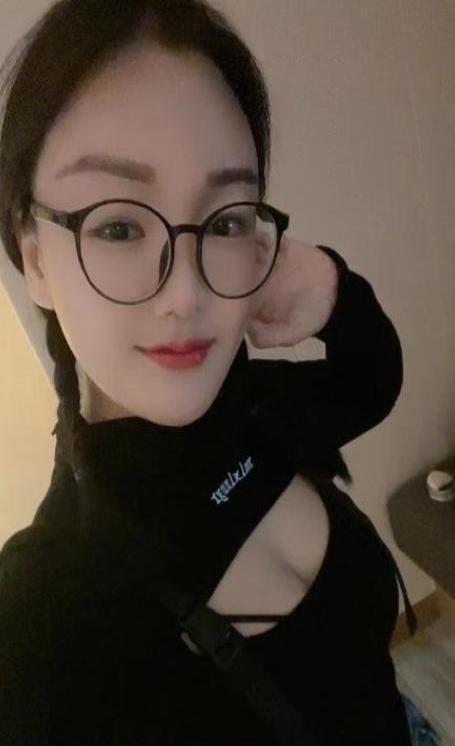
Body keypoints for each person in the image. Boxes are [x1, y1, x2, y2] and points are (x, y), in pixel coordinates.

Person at [0, 1, 418, 744]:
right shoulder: (41, 614)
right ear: (34, 257)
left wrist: (331, 289)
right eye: (119, 226)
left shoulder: (252, 410)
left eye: (224, 221)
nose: (187, 294)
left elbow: (372, 378)